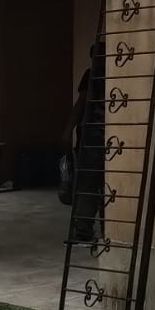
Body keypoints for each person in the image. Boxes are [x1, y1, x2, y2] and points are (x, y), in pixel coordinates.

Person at [63, 41, 106, 243]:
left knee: (89, 186)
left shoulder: (93, 75)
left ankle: (84, 229)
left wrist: (68, 130)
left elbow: (80, 105)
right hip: (94, 140)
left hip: (92, 141)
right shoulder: (95, 76)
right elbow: (80, 105)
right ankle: (96, 229)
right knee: (101, 186)